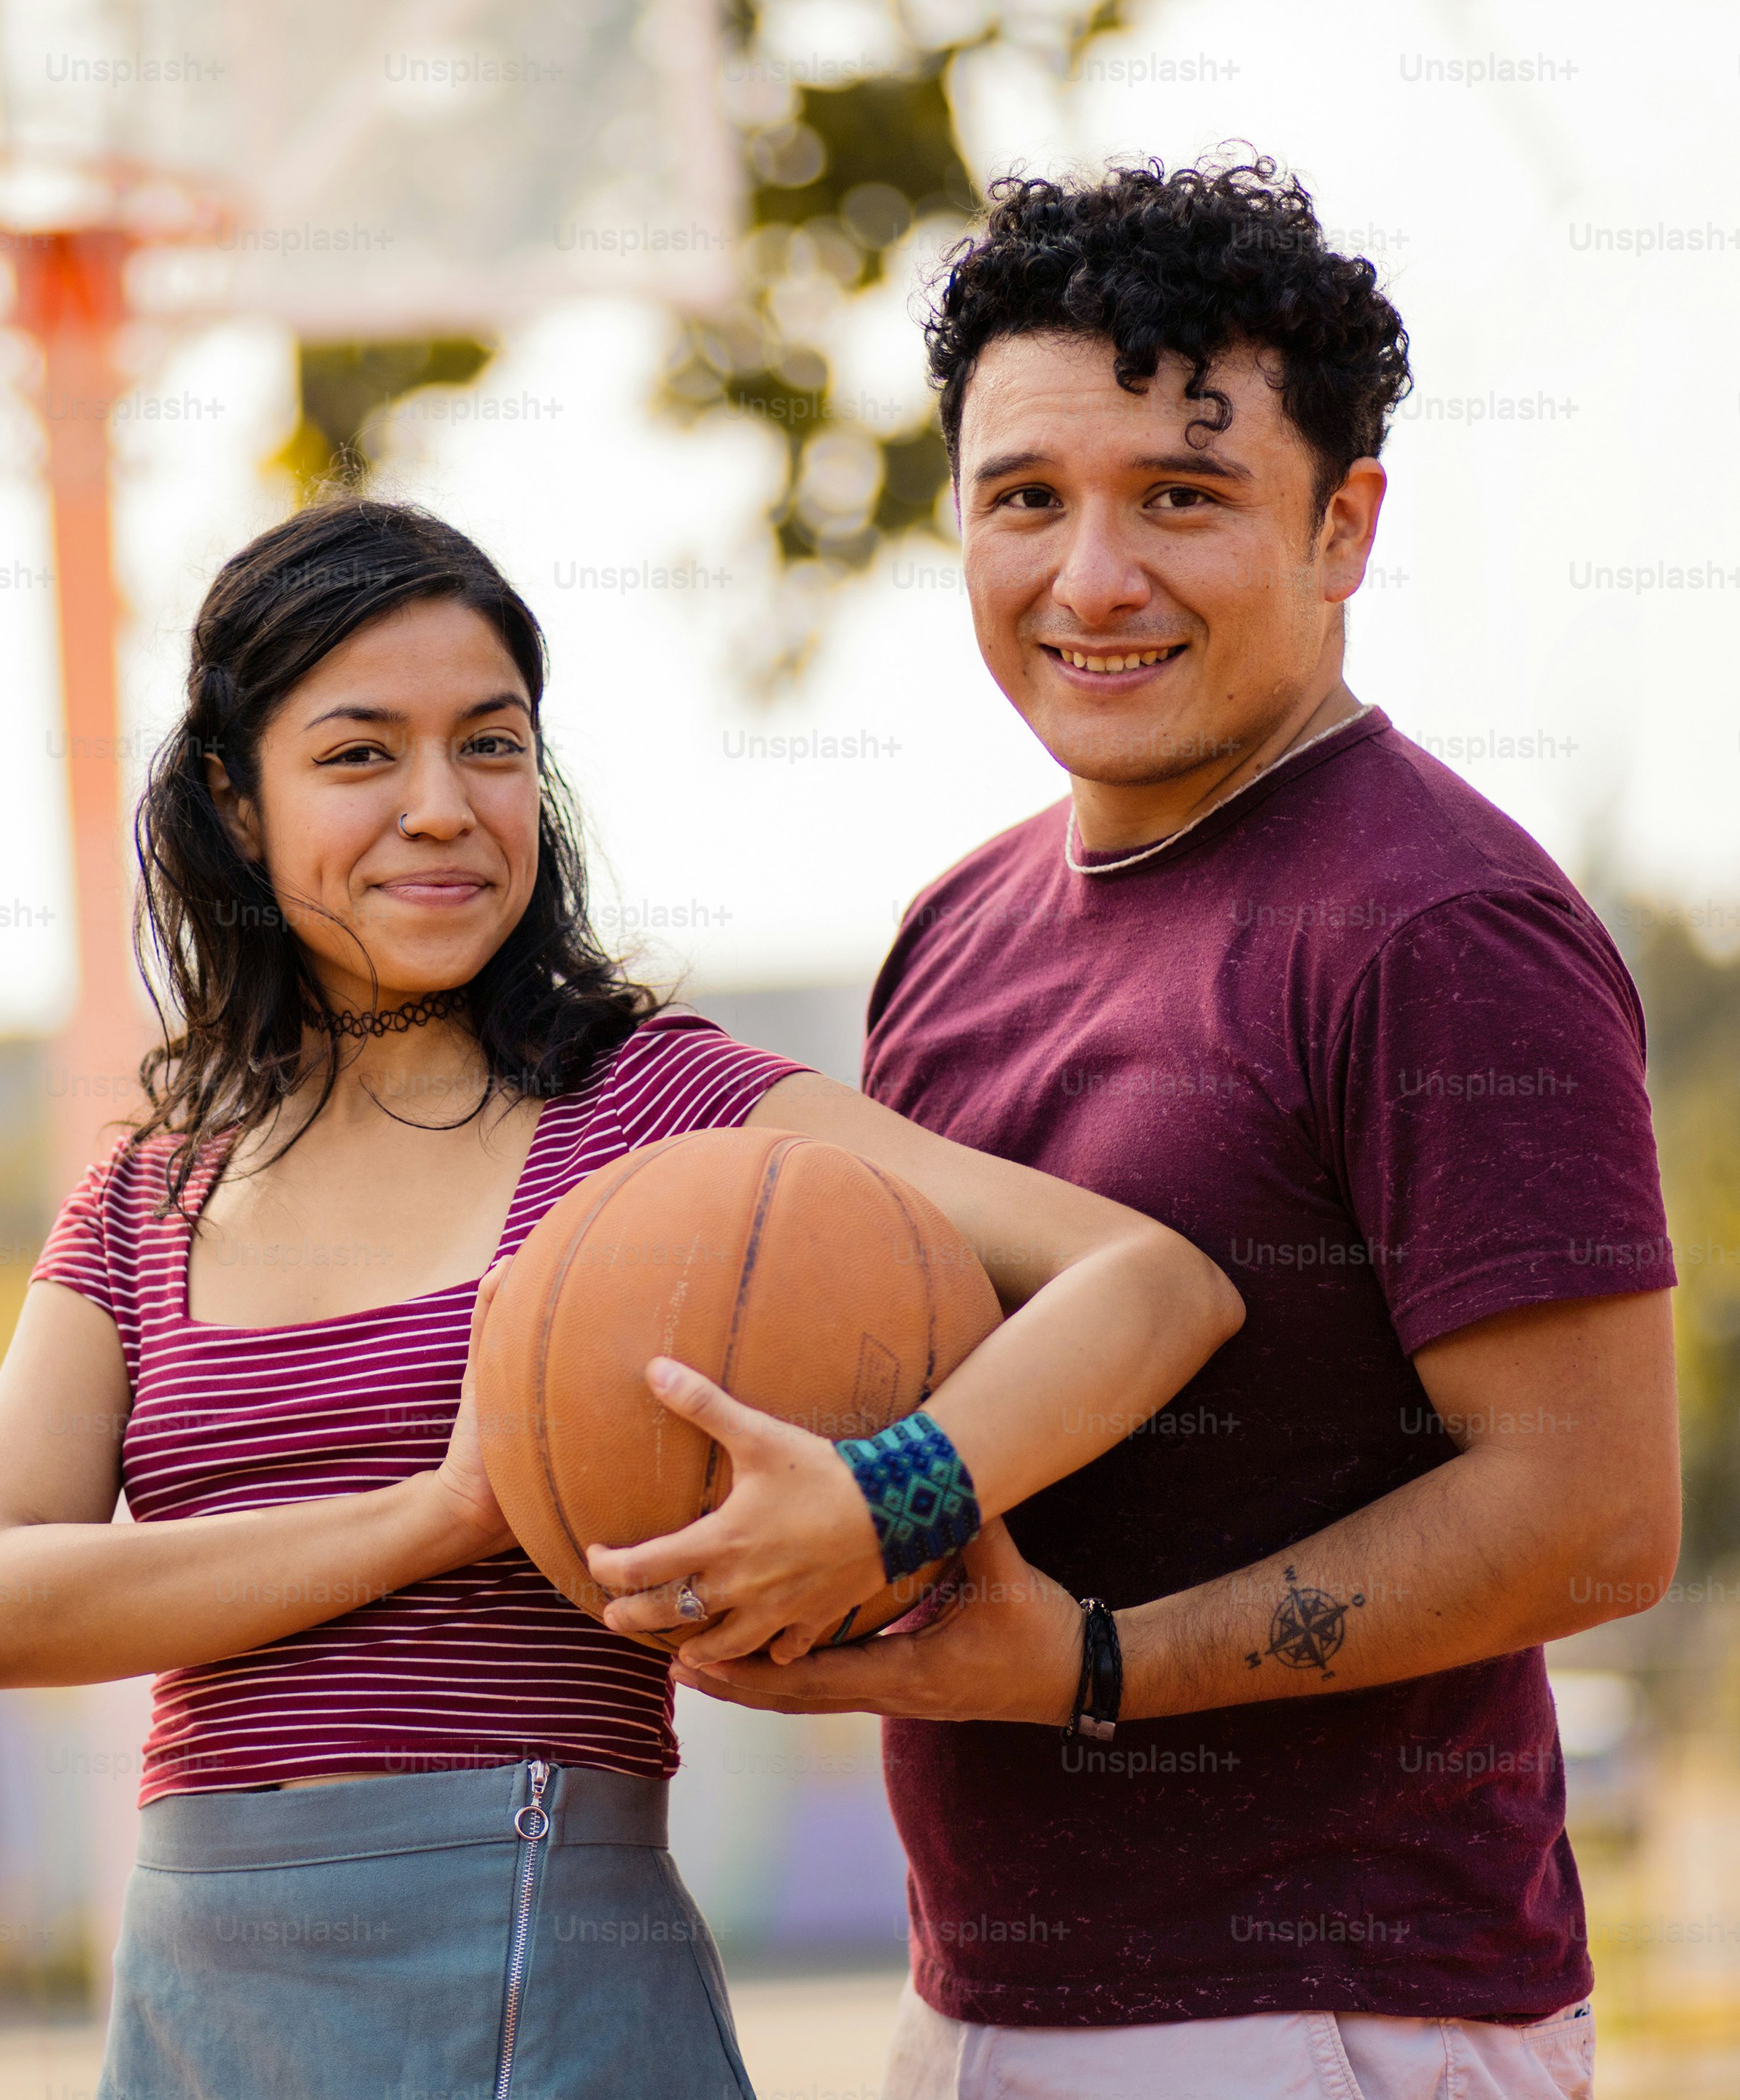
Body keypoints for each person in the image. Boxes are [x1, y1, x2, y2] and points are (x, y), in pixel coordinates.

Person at [0, 497, 1246, 2100]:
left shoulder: (655, 1115)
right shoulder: (149, 1192)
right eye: (357, 755)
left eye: (488, 747)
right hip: (201, 1996)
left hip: (536, 1949)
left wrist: (878, 1501)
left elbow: (1152, 1284)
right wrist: (444, 1511)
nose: (440, 809)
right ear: (232, 803)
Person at [610, 158, 1680, 2100]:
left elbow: (1589, 1510)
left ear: (1342, 526)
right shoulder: (953, 929)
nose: (1087, 577)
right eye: (1026, 498)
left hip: (1323, 2012)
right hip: (983, 2004)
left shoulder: (1439, 926)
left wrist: (1098, 1667)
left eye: (1177, 498)